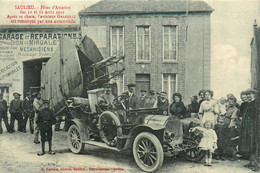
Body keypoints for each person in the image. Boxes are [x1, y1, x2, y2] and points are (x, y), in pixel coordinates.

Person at [239, 89, 259, 171]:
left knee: (254, 145)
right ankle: (251, 162)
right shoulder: (248, 104)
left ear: (254, 95)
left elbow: (256, 117)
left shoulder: (256, 104)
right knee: (249, 145)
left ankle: (255, 164)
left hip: (253, 128)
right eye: (247, 94)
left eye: (250, 94)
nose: (248, 96)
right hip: (247, 127)